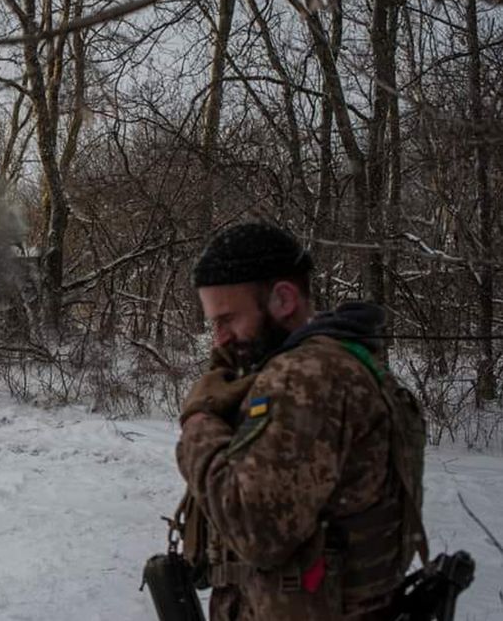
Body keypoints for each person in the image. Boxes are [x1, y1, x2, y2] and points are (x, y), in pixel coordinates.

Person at [177, 222, 421, 620]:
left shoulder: (307, 377)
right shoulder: (345, 357)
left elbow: (258, 531)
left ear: (284, 299)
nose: (219, 338)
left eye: (227, 319)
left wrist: (199, 421)